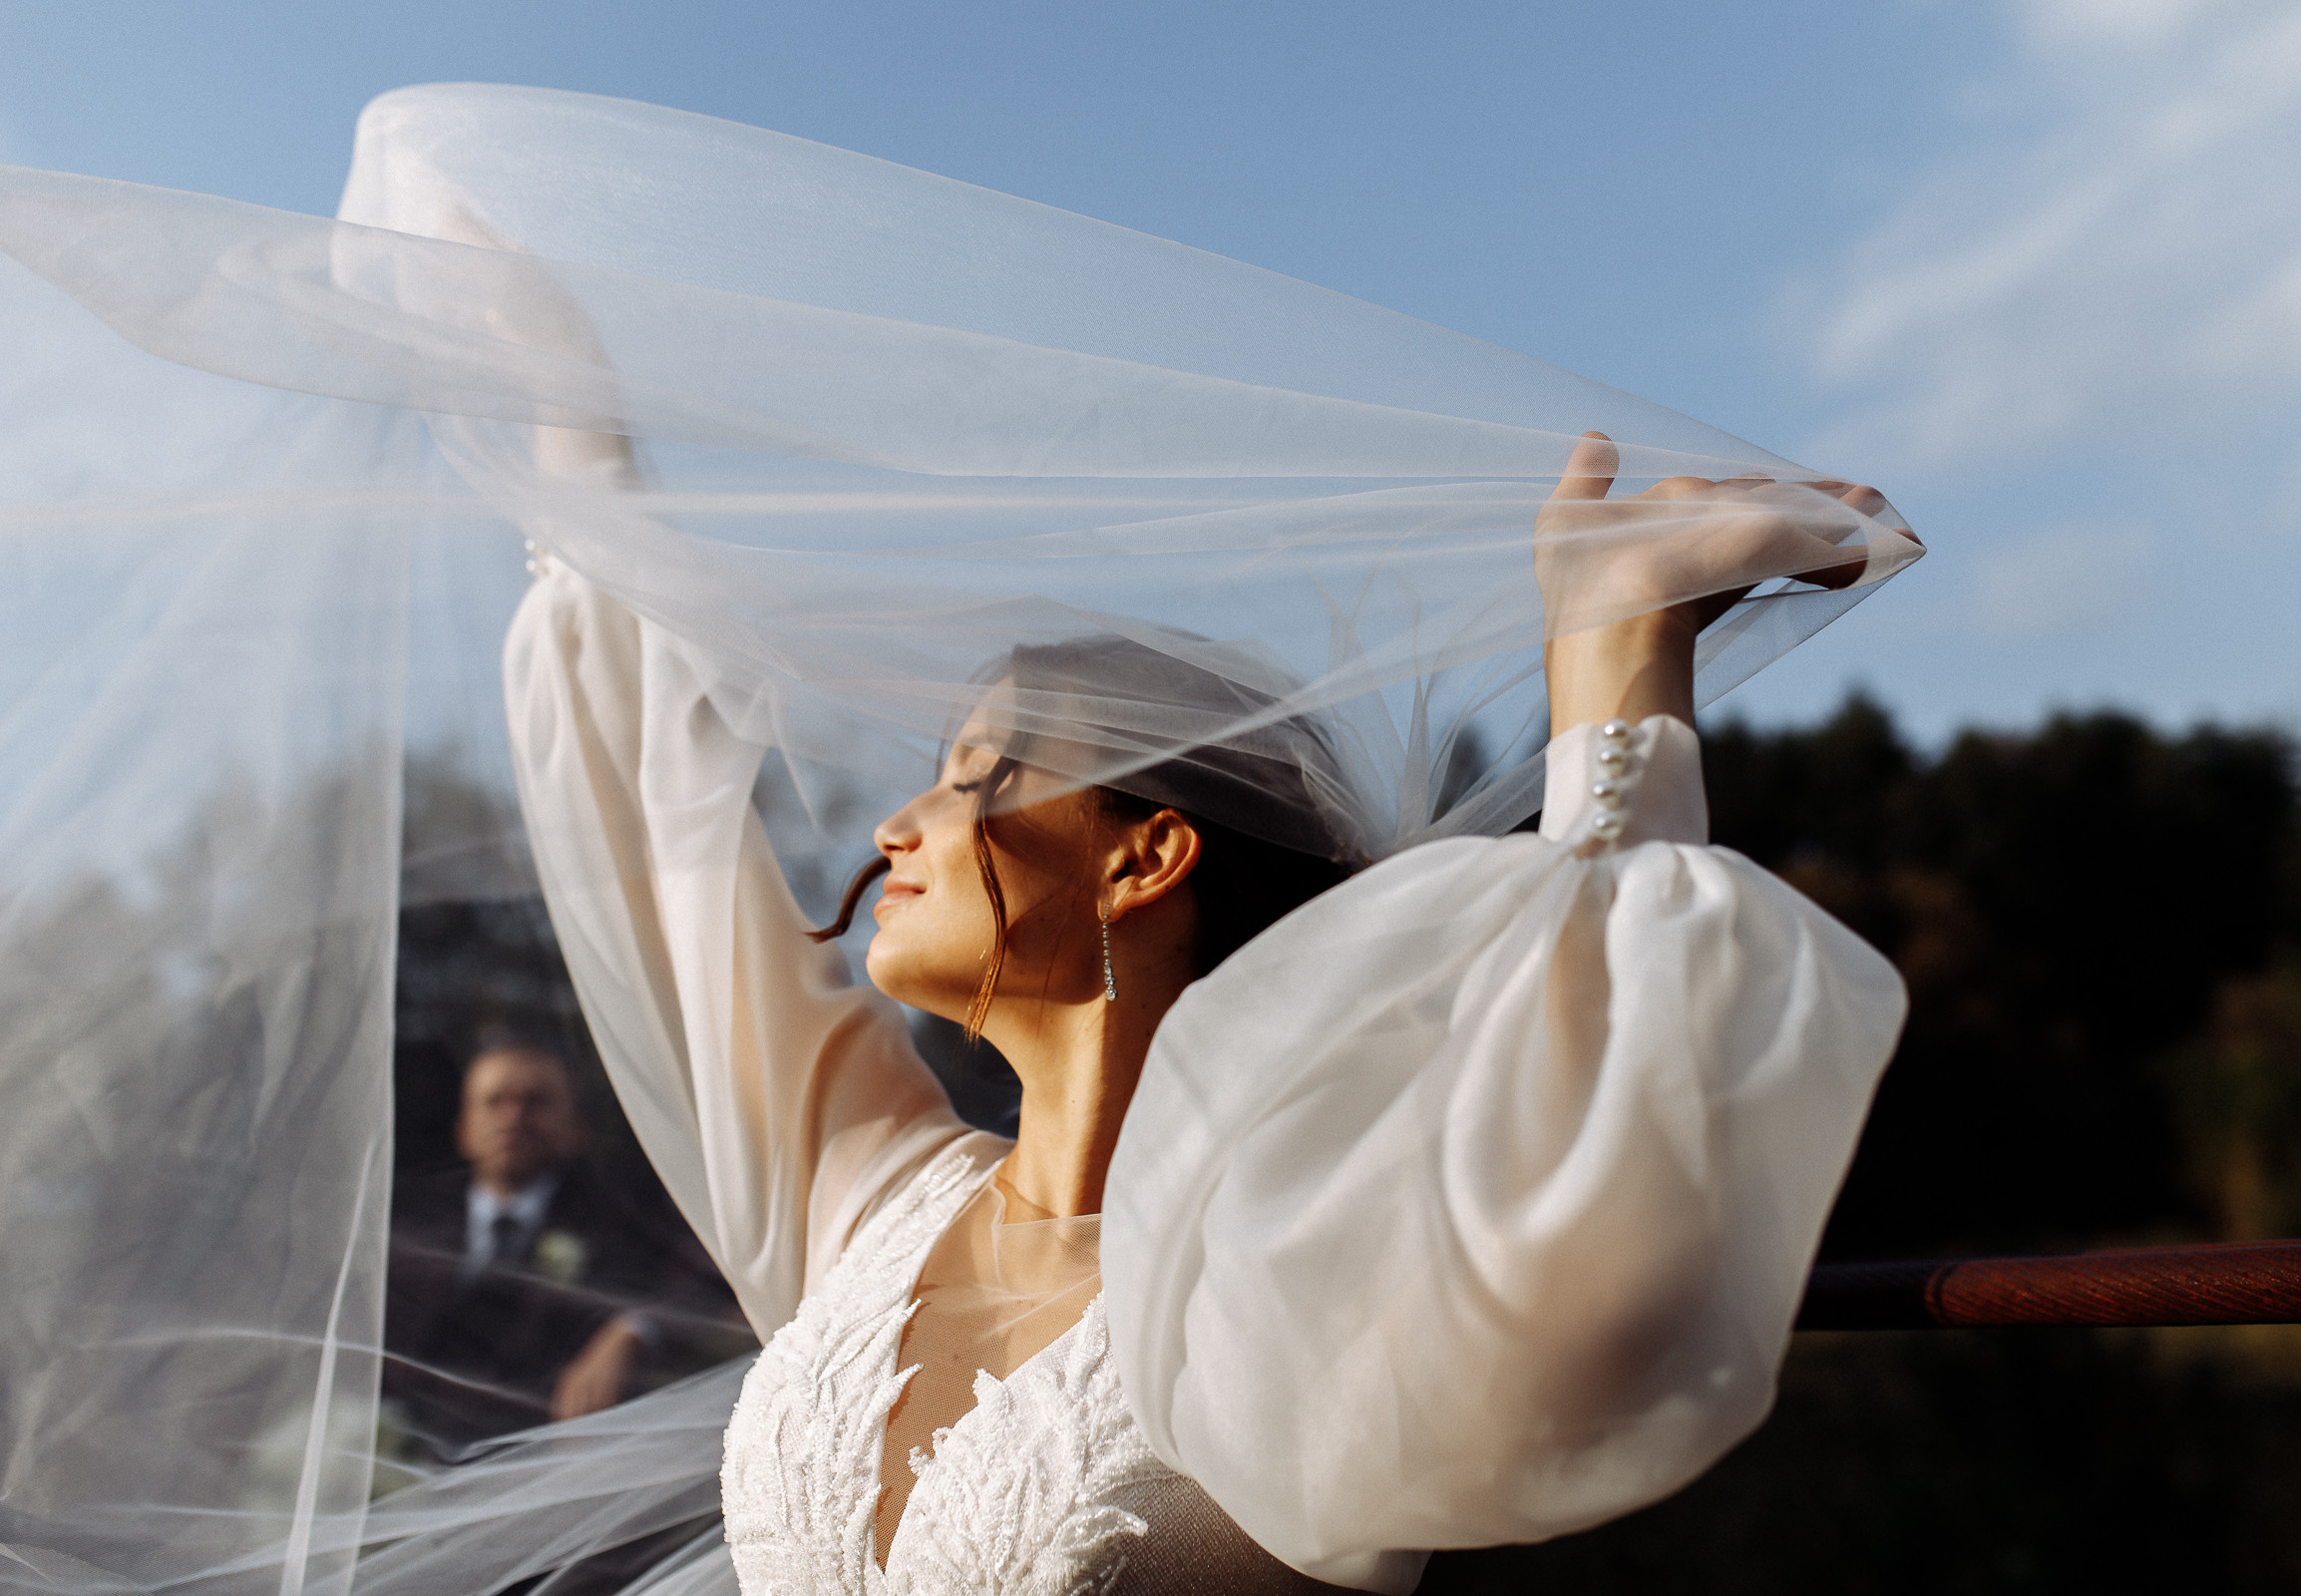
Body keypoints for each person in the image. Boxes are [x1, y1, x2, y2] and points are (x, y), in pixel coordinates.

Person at [507, 421, 1912, 1590]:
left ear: (1146, 855)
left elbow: (1606, 1200)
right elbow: (675, 866)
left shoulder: (1308, 1248)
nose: (897, 826)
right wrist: (579, 460)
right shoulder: (873, 1207)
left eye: (979, 774)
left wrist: (1611, 654)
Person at [383, 1039, 743, 1455]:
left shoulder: (622, 1215)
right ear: (462, 1129)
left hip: (556, 1450)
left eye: (536, 1102)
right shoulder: (411, 1225)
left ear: (577, 1128)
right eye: (494, 1102)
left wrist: (633, 1329)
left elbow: (708, 1275)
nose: (513, 1117)